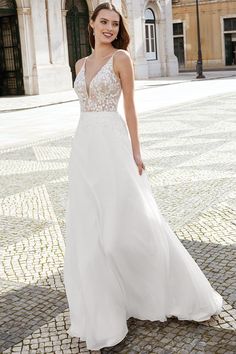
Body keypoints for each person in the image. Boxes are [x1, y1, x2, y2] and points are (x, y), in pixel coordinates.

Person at [63, 2, 223, 352]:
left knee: (125, 229)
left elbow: (131, 108)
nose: (108, 28)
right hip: (85, 148)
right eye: (103, 22)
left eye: (114, 24)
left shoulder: (121, 59)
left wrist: (136, 152)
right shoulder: (78, 64)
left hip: (113, 145)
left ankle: (162, 289)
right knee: (90, 231)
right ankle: (106, 308)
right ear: (91, 24)